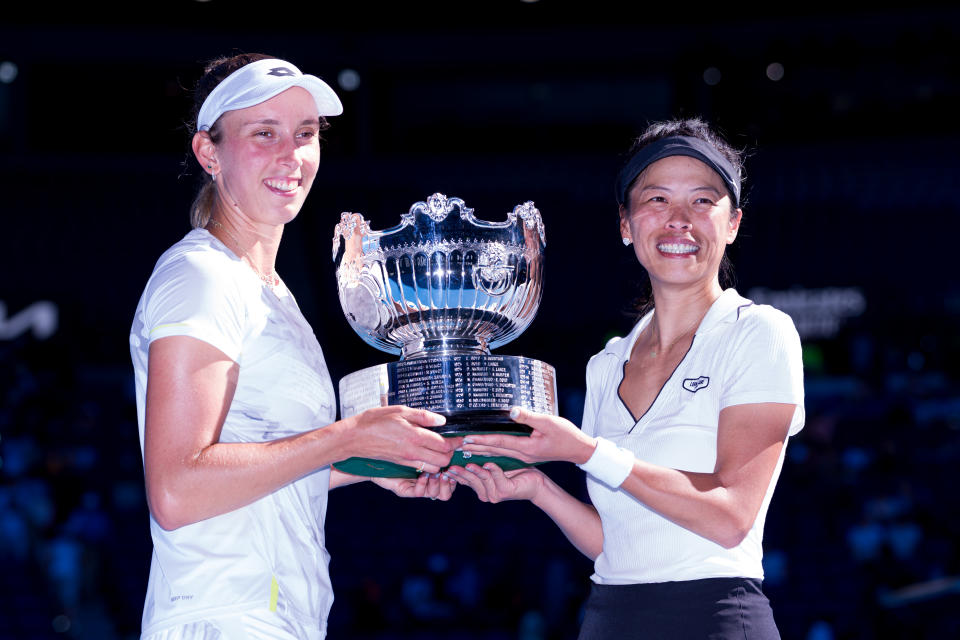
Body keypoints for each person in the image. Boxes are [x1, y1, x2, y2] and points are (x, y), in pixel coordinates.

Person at [129, 53, 459, 640]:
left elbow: (255, 460)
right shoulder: (201, 278)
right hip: (223, 613)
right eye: (264, 134)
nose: (292, 155)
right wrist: (347, 436)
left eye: (305, 135)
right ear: (210, 154)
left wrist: (366, 461)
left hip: (278, 613)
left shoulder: (270, 291)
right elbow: (178, 489)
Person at [449, 119, 804, 638]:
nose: (679, 220)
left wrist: (587, 453)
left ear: (732, 224)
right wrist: (540, 489)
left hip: (714, 616)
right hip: (609, 617)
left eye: (703, 201)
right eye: (657, 200)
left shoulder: (759, 333)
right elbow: (615, 543)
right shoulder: (606, 364)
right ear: (625, 223)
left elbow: (730, 518)